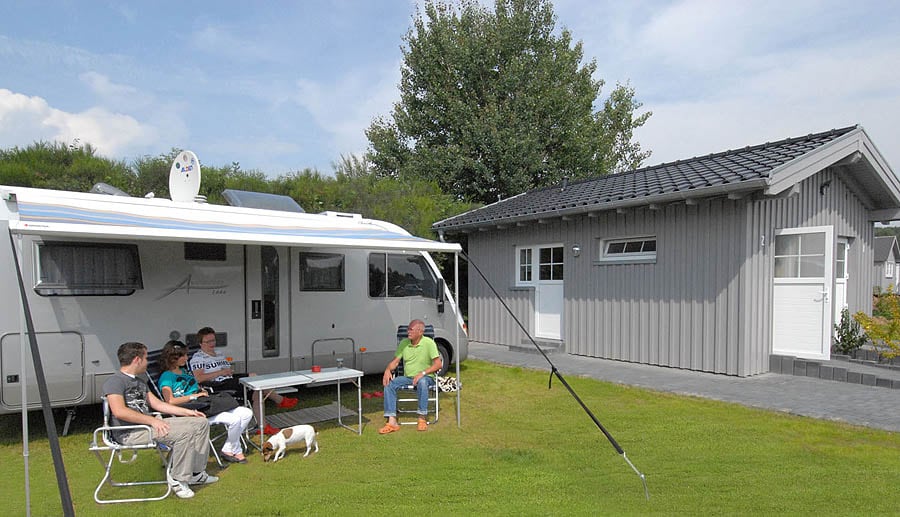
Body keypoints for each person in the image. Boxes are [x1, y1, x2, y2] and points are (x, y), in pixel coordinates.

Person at [102, 342, 218, 499]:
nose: (147, 361)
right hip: (131, 432)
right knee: (184, 433)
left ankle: (196, 473)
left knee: (200, 423)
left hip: (148, 426)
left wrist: (188, 412)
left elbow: (159, 405)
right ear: (137, 360)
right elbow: (119, 411)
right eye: (146, 357)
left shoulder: (139, 382)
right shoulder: (116, 381)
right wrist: (152, 421)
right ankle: (178, 479)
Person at [189, 326, 297, 436]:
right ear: (201, 343)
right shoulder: (198, 358)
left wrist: (228, 371)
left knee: (257, 389)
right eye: (208, 342)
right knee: (255, 383)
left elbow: (225, 370)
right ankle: (280, 400)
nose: (212, 344)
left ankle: (263, 427)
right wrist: (221, 373)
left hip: (229, 380)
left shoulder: (219, 353)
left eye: (213, 340)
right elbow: (198, 378)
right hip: (218, 386)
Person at [158, 340, 254, 464]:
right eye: (183, 356)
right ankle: (236, 450)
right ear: (173, 358)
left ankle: (228, 449)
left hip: (203, 404)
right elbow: (170, 401)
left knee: (246, 413)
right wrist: (193, 396)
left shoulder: (184, 371)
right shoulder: (166, 376)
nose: (187, 358)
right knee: (234, 419)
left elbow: (195, 387)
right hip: (191, 410)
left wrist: (201, 391)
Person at [379, 319, 442, 434]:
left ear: (420, 332)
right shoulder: (404, 343)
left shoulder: (429, 343)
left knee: (422, 382)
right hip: (408, 378)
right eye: (408, 329)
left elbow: (438, 364)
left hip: (427, 378)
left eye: (411, 330)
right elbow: (396, 361)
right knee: (389, 384)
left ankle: (422, 417)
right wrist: (387, 370)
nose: (408, 332)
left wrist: (422, 373)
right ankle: (392, 421)